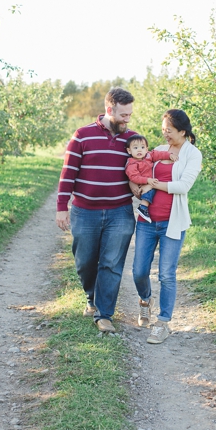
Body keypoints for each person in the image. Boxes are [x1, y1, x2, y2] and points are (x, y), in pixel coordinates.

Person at [55, 87, 137, 333]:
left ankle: (104, 314)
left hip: (119, 212)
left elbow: (145, 166)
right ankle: (92, 299)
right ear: (109, 110)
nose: (127, 119)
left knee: (111, 264)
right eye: (123, 115)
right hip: (85, 211)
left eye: (130, 114)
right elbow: (68, 174)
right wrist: (62, 207)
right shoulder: (82, 135)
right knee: (85, 262)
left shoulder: (132, 139)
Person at [130, 109, 202, 344]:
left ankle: (162, 323)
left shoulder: (193, 155)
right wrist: (137, 186)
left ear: (182, 131)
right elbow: (138, 170)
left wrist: (155, 184)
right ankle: (145, 300)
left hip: (173, 221)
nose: (165, 134)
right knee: (139, 271)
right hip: (147, 220)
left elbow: (182, 186)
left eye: (168, 131)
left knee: (166, 274)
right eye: (163, 130)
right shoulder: (158, 151)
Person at [124, 133, 177, 223]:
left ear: (146, 149)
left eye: (142, 147)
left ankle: (144, 207)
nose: (139, 150)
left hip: (149, 180)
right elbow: (134, 177)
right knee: (149, 192)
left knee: (153, 191)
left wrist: (169, 155)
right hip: (142, 183)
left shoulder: (148, 156)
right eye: (135, 148)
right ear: (129, 151)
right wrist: (147, 180)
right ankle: (143, 207)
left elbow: (158, 154)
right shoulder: (132, 164)